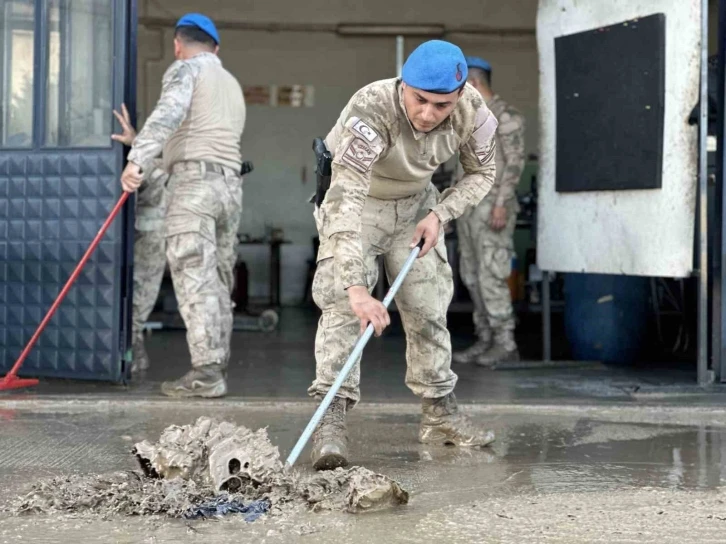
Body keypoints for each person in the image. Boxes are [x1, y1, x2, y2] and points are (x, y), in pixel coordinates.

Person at [308, 40, 499, 471]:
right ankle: (330, 421)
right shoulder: (371, 107)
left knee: (429, 307)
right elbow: (345, 198)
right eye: (420, 100)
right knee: (342, 306)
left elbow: (483, 172)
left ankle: (439, 416)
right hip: (359, 205)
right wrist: (357, 287)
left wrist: (440, 213)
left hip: (417, 208)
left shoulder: (473, 112)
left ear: (460, 95)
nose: (429, 113)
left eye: (441, 105)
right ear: (403, 86)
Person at [120, 13, 246, 397]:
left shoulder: (186, 69)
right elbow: (195, 138)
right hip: (230, 187)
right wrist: (138, 142)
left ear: (178, 45)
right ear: (217, 48)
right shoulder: (230, 84)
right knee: (219, 281)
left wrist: (136, 158)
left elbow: (169, 113)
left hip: (194, 188)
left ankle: (206, 375)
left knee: (195, 278)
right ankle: (215, 366)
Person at [453, 56, 526, 367]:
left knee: (491, 274)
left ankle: (505, 343)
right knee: (471, 275)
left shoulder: (506, 116)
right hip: (470, 208)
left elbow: (515, 163)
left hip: (492, 208)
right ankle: (486, 339)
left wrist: (501, 203)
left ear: (474, 83)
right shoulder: (469, 119)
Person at [112, 104, 169, 375]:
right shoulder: (150, 155)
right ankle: (133, 354)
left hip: (159, 234)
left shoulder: (178, 153)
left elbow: (162, 167)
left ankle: (134, 353)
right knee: (136, 294)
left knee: (142, 295)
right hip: (144, 233)